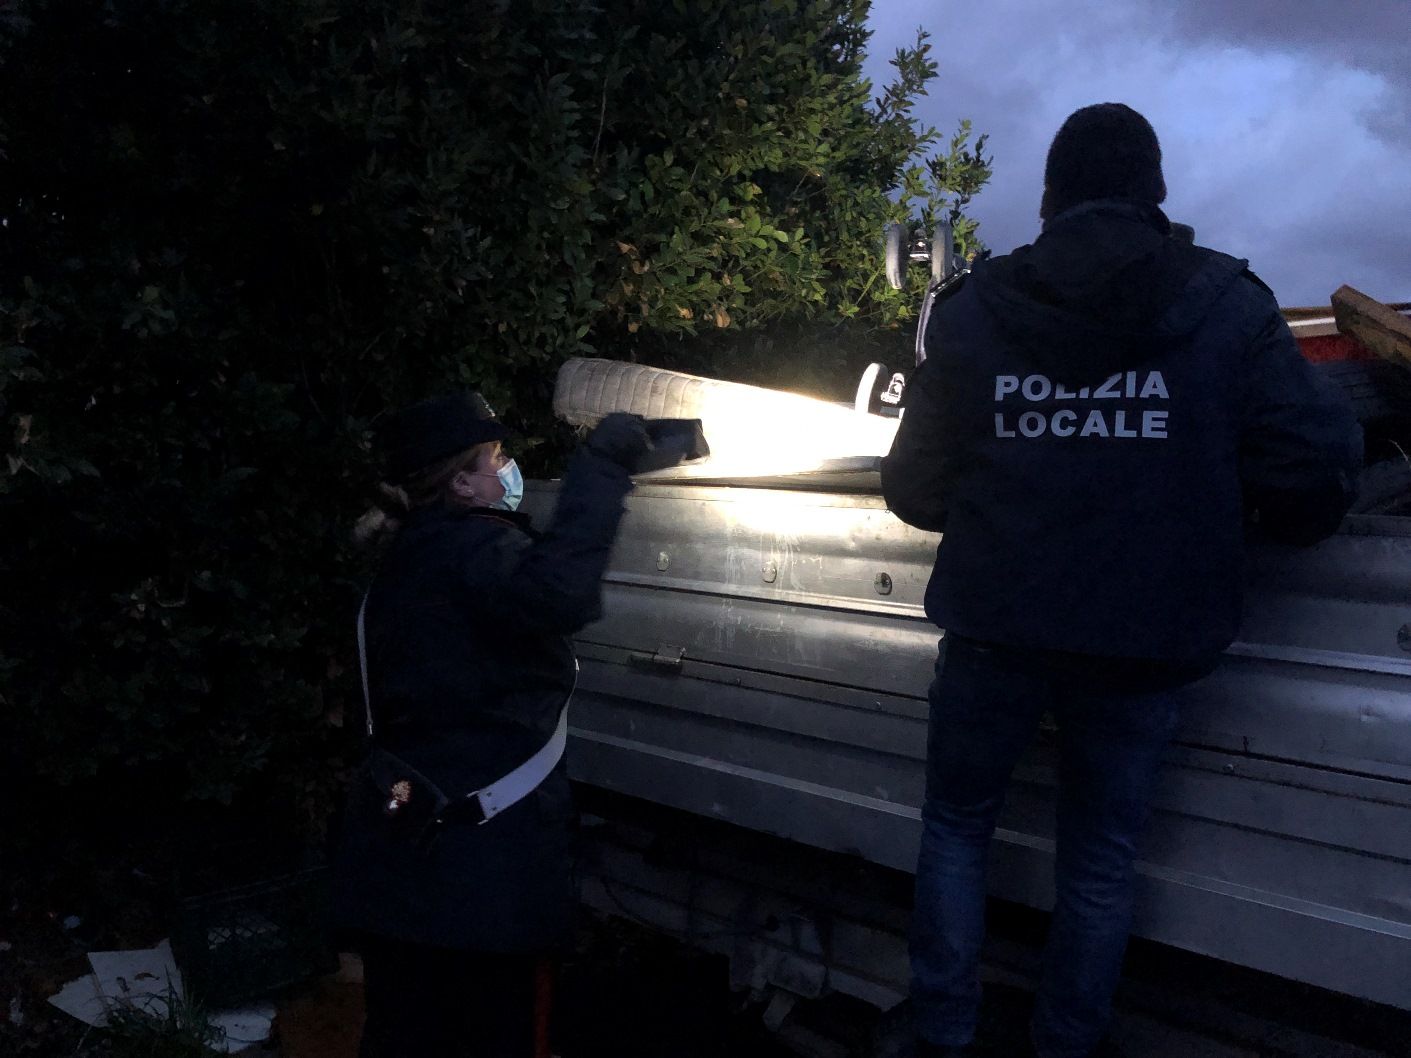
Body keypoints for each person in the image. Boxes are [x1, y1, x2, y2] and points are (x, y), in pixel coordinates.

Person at [881, 103, 1362, 1058]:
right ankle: (1066, 1042)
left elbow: (912, 488)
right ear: (1156, 194)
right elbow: (1314, 469)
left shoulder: (973, 309)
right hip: (1143, 641)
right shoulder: (1226, 306)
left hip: (994, 630)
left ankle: (940, 1033)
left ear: (1048, 198)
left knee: (958, 829)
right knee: (1098, 859)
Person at [331, 392, 650, 1058]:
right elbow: (560, 594)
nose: (507, 468)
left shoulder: (405, 559)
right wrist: (600, 469)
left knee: (401, 1037)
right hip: (484, 889)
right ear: (461, 482)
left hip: (402, 876)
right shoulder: (473, 551)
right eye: (495, 457)